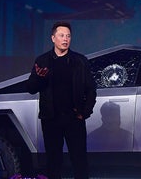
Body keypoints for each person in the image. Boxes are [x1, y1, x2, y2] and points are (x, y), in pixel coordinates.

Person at [26, 21, 97, 179]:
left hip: (74, 118)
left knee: (79, 161)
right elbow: (31, 88)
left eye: (68, 36)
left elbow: (91, 89)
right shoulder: (42, 61)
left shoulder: (80, 61)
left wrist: (85, 112)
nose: (65, 39)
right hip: (50, 119)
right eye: (61, 35)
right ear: (53, 38)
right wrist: (40, 78)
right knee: (53, 161)